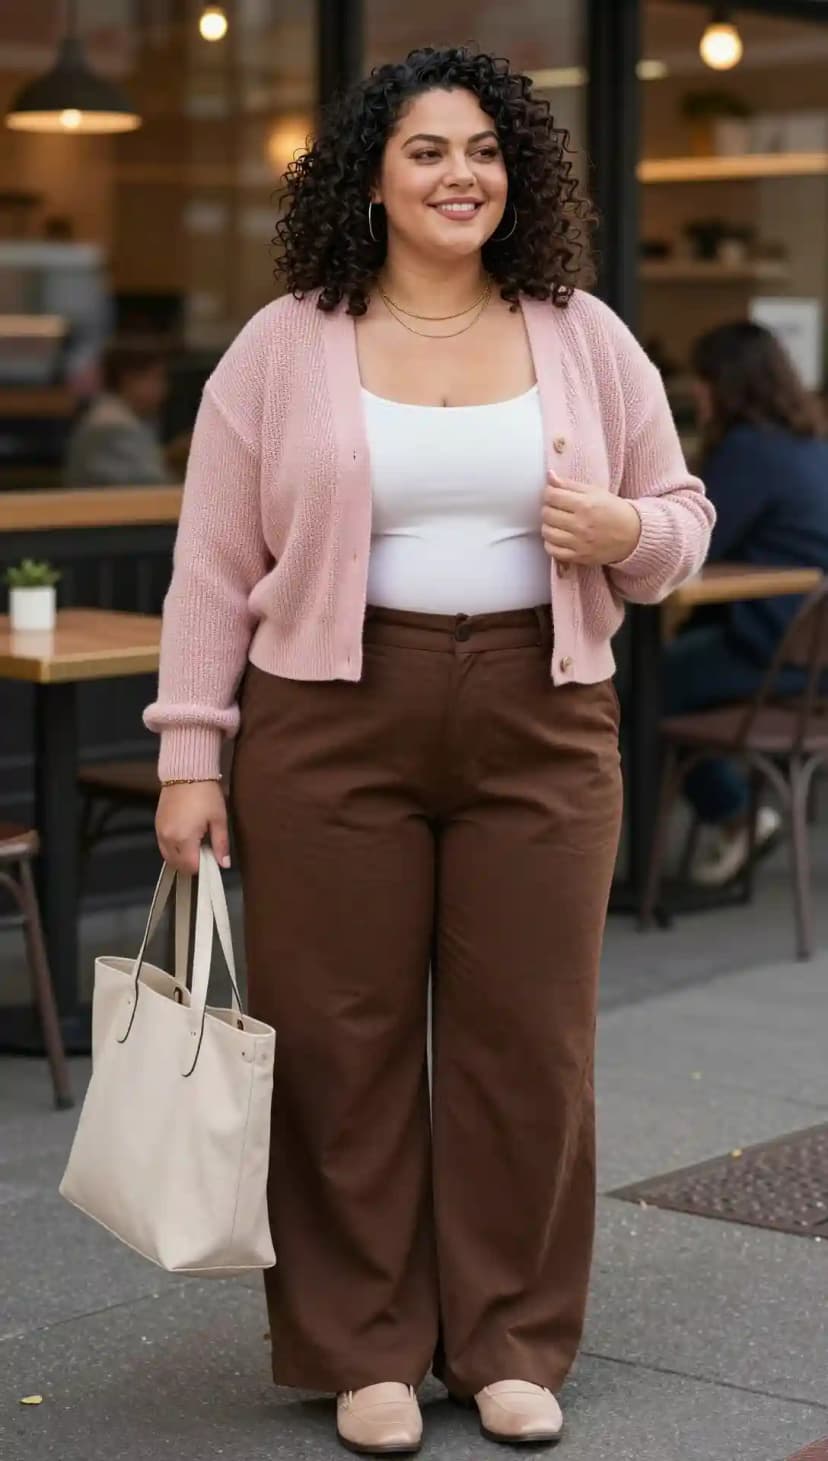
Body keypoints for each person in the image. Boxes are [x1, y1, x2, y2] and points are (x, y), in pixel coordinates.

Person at [145, 46, 713, 1456]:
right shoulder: (286, 344)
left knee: (533, 1043)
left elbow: (681, 513)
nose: (462, 174)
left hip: (544, 711)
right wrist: (188, 757)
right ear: (374, 178)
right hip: (332, 715)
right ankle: (368, 1346)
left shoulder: (582, 331)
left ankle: (510, 1338)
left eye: (484, 150)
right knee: (342, 1042)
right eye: (427, 151)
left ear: (514, 173)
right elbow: (213, 570)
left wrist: (625, 536)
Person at [664, 320, 828, 888]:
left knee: (622, 690)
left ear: (724, 384)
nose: (694, 393)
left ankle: (737, 814)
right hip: (808, 660)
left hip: (769, 654)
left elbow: (694, 544)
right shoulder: (809, 445)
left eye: (702, 381)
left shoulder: (749, 449)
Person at [63, 340, 170, 486]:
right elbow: (151, 487)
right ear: (129, 379)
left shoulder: (115, 418)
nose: (164, 389)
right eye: (156, 378)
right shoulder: (113, 427)